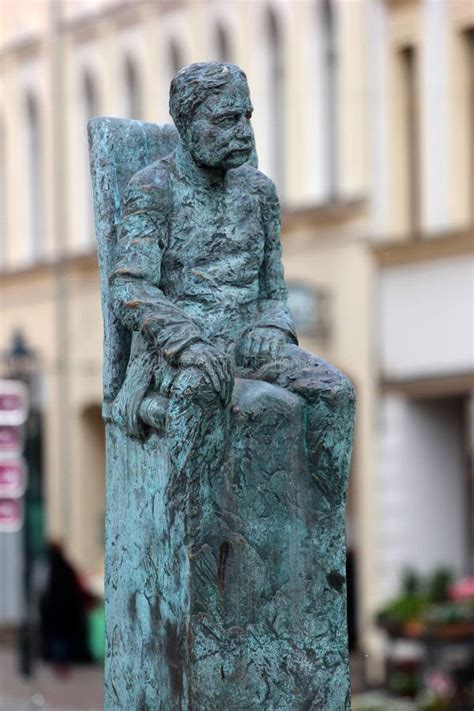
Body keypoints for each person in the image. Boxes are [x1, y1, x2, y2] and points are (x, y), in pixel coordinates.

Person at [110, 61, 355, 513]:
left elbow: (274, 291)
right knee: (200, 392)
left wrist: (274, 328)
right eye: (225, 120)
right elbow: (130, 286)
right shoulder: (154, 188)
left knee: (335, 392)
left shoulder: (259, 192)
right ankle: (188, 529)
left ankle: (318, 527)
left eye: (246, 117)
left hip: (249, 343)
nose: (242, 131)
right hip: (181, 350)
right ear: (187, 125)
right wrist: (188, 345)